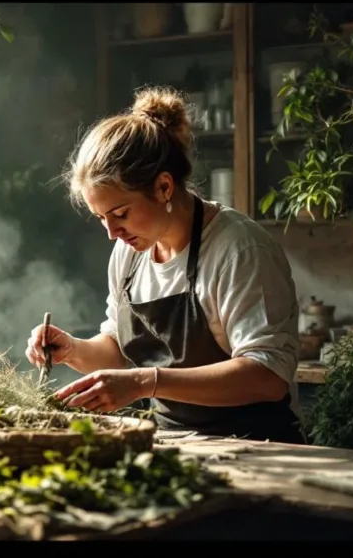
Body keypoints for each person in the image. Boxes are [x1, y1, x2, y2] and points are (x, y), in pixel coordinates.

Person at [26, 86, 304, 444]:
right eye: (100, 218)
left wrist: (146, 381)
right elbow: (117, 351)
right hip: (176, 445)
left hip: (257, 446)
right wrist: (72, 350)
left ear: (163, 187)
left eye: (120, 214)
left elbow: (267, 377)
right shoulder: (130, 255)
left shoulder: (238, 249)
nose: (111, 232)